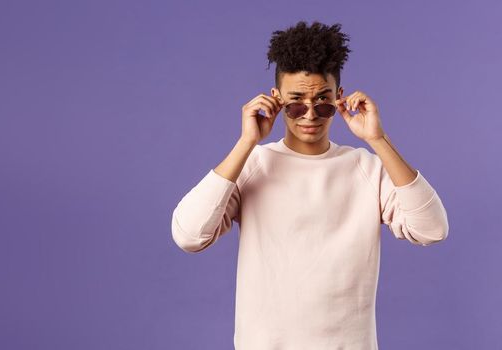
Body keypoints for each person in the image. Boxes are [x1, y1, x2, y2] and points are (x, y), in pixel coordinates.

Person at [171, 20, 449, 349]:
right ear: (275, 100)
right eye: (296, 102)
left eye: (323, 102)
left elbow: (432, 229)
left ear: (339, 98)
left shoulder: (367, 168)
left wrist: (378, 139)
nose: (310, 114)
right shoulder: (254, 165)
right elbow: (189, 235)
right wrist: (246, 143)